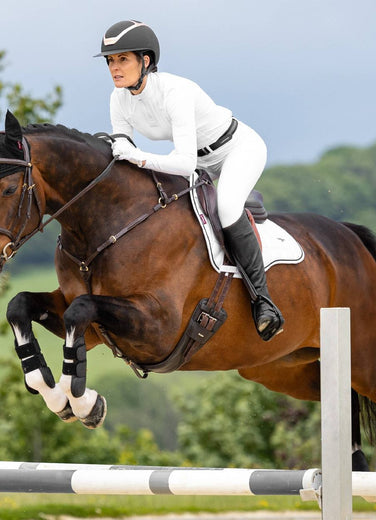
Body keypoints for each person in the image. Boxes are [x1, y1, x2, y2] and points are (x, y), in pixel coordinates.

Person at [95, 20, 284, 341]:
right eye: (110, 61)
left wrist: (136, 156)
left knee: (226, 207)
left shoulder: (176, 91)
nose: (114, 68)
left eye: (122, 59)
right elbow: (122, 149)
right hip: (200, 163)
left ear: (146, 61)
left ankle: (263, 302)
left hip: (237, 149)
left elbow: (180, 162)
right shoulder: (119, 99)